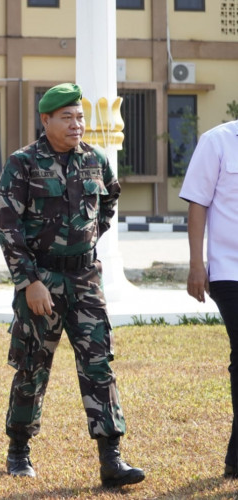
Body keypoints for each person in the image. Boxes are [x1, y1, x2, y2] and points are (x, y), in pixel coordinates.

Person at [0, 83, 145, 487]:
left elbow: (108, 205)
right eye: (67, 117)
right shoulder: (23, 163)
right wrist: (29, 281)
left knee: (98, 364)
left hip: (85, 279)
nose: (77, 123)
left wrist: (83, 248)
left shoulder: (95, 160)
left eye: (79, 116)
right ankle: (19, 448)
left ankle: (111, 457)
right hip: (41, 280)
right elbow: (7, 227)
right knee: (32, 366)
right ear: (46, 121)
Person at [181, 118, 238, 479]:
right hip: (230, 271)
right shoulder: (217, 141)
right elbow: (198, 206)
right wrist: (196, 264)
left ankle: (235, 460)